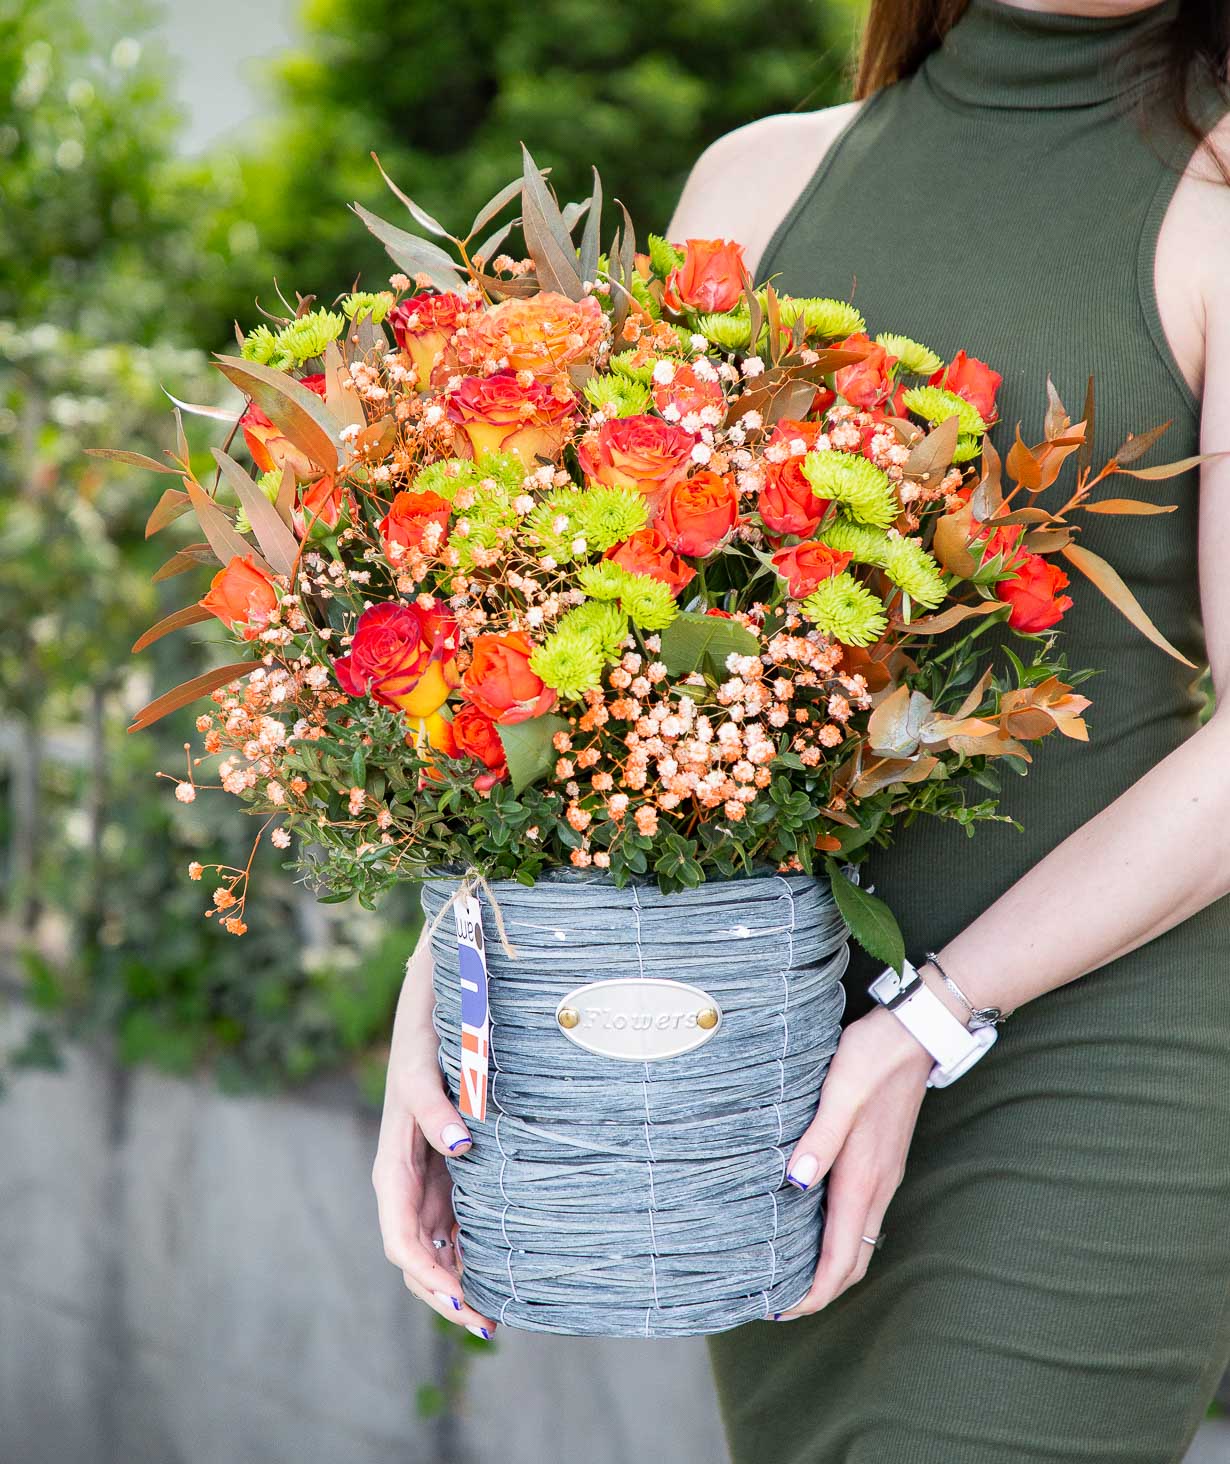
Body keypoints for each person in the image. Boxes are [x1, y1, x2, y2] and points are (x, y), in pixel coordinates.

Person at [373, 0, 1230, 1455]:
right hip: (754, 1054)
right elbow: (604, 652)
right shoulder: (755, 182)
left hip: (1102, 1050)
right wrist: (461, 974)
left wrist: (926, 1027)